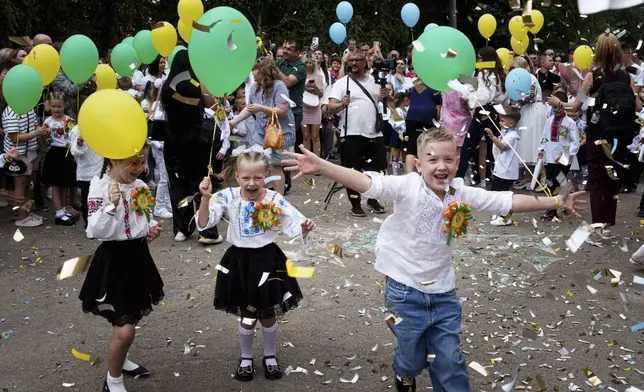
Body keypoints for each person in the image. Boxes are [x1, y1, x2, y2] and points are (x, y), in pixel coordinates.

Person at [282, 128, 585, 392]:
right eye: (433, 159)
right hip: (403, 295)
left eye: (448, 159)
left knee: (450, 362)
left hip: (443, 295)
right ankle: (404, 373)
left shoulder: (461, 193)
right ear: (418, 163)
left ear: (457, 161)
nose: (441, 166)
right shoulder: (408, 186)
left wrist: (555, 200)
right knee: (412, 360)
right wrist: (322, 165)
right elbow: (366, 183)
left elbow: (506, 201)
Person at [196, 149, 314, 382]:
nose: (252, 183)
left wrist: (304, 226)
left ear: (266, 175)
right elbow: (204, 223)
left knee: (268, 313)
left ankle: (270, 356)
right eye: (246, 178)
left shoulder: (273, 199)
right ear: (237, 176)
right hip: (239, 263)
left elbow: (293, 221)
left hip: (268, 260)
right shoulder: (227, 196)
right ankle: (246, 357)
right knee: (247, 314)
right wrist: (205, 198)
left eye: (257, 178)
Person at [79, 143, 164, 392]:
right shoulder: (100, 187)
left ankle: (122, 360)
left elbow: (139, 222)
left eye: (142, 162)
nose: (141, 168)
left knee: (129, 318)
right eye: (134, 163)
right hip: (114, 262)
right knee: (125, 330)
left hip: (138, 259)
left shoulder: (141, 187)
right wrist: (111, 206)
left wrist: (149, 231)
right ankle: (112, 379)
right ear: (114, 160)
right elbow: (94, 230)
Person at [547, 33, 642, 244]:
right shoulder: (627, 77)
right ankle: (608, 226)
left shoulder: (593, 76)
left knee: (598, 180)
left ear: (598, 52)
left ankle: (598, 229)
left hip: (598, 134)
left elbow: (576, 106)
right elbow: (637, 107)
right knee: (612, 179)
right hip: (621, 137)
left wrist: (558, 103)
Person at [161, 50, 222, 244]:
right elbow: (213, 105)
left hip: (173, 141)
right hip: (196, 140)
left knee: (178, 185)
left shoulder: (166, 87)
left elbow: (162, 110)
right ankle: (207, 230)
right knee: (201, 183)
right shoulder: (197, 84)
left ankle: (182, 228)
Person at [328, 51, 388, 217]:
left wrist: (388, 96)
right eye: (351, 60)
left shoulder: (375, 81)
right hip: (351, 132)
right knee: (352, 171)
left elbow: (390, 102)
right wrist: (342, 104)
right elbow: (331, 106)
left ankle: (373, 198)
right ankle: (355, 204)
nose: (354, 63)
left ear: (364, 63)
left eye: (358, 60)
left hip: (375, 133)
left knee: (378, 170)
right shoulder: (342, 83)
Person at [229, 57, 295, 195]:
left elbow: (282, 111)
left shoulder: (279, 86)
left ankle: (279, 198)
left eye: (255, 69)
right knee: (261, 167)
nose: (252, 72)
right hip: (261, 135)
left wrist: (261, 108)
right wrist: (233, 122)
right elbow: (249, 108)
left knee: (275, 167)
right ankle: (260, 196)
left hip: (278, 135)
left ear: (264, 71)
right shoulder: (254, 88)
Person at [454, 47, 506, 186]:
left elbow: (483, 97)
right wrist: (462, 79)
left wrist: (469, 97)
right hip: (496, 112)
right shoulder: (500, 73)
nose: (478, 60)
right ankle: (499, 179)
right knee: (494, 147)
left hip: (484, 111)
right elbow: (475, 83)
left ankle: (458, 178)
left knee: (468, 147)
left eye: (480, 58)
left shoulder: (485, 73)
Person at [2, 104, 50, 227]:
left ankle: (26, 212)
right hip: (17, 154)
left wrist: (42, 129)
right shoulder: (10, 113)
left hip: (30, 152)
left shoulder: (28, 108)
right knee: (21, 184)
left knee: (28, 184)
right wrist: (36, 133)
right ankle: (21, 217)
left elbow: (35, 124)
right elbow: (14, 138)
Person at [538, 91, 580, 221]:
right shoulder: (549, 121)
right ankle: (566, 199)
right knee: (551, 181)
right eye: (553, 107)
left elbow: (575, 142)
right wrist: (541, 150)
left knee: (555, 183)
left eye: (558, 107)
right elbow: (544, 137)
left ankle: (551, 210)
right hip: (550, 157)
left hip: (563, 159)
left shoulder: (569, 123)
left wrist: (564, 155)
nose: (556, 110)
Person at [510, 56, 547, 189]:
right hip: (526, 111)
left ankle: (543, 176)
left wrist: (517, 100)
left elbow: (530, 96)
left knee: (535, 142)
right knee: (526, 143)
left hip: (533, 111)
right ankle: (530, 175)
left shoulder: (530, 77)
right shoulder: (522, 79)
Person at [41, 92, 78, 226]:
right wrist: (44, 137)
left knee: (65, 184)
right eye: (54, 106)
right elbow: (45, 143)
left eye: (59, 106)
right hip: (55, 154)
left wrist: (72, 144)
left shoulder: (69, 121)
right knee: (56, 185)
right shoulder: (48, 122)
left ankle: (64, 209)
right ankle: (58, 212)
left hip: (67, 153)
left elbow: (74, 136)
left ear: (65, 105)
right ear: (50, 106)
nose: (56, 109)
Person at [276, 40, 307, 192]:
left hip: (293, 112)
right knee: (276, 144)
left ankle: (286, 181)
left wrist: (273, 68)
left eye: (290, 49)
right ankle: (277, 178)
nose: (286, 50)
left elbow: (287, 82)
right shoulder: (280, 62)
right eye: (285, 47)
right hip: (278, 108)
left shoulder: (301, 67)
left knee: (287, 146)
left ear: (298, 53)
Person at [487, 106, 522, 226]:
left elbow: (503, 147)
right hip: (500, 168)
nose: (499, 122)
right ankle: (498, 212)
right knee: (496, 192)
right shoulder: (506, 133)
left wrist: (493, 138)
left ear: (511, 123)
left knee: (504, 195)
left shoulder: (513, 136)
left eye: (503, 120)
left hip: (507, 171)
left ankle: (506, 217)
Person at [69, 125, 102, 229]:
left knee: (101, 198)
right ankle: (89, 225)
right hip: (87, 171)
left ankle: (100, 224)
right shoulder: (78, 129)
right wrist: (79, 144)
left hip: (103, 168)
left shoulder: (104, 125)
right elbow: (74, 151)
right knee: (88, 198)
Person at [302, 53, 324, 157]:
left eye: (310, 62)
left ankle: (317, 161)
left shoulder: (318, 76)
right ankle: (307, 160)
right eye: (306, 62)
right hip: (304, 108)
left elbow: (321, 94)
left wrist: (314, 86)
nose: (308, 64)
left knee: (315, 136)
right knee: (306, 136)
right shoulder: (301, 76)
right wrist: (304, 86)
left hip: (315, 109)